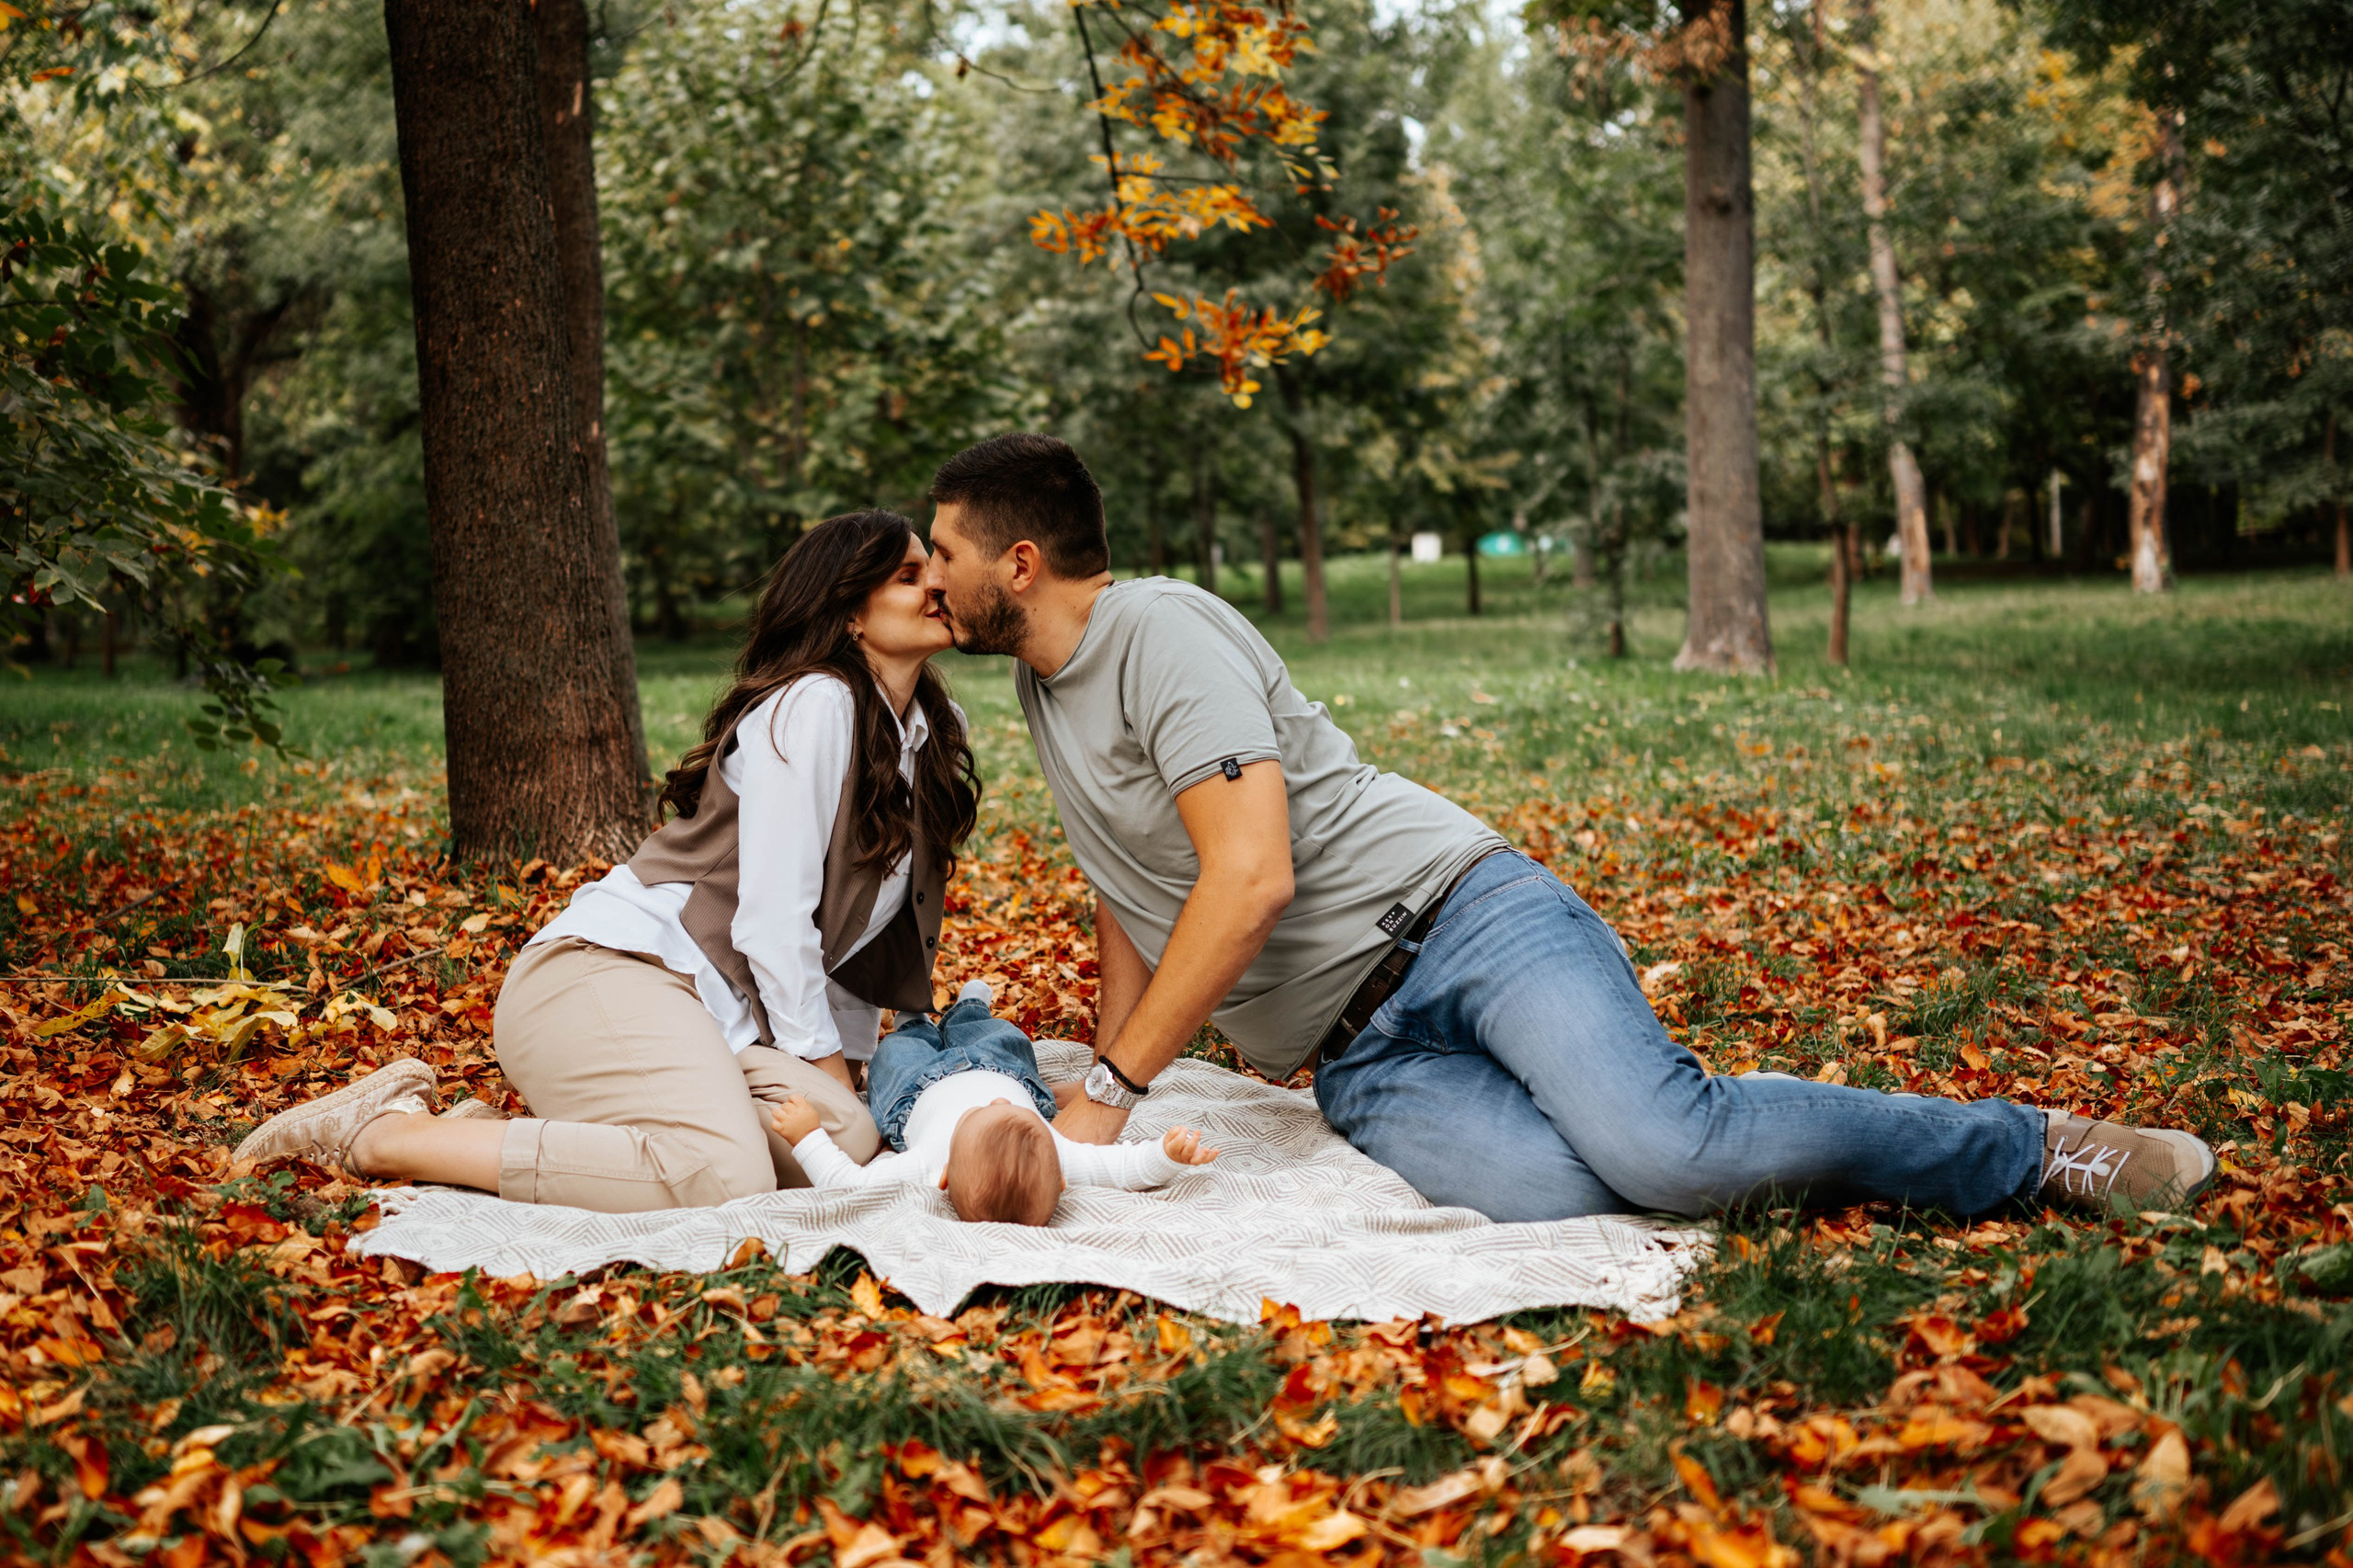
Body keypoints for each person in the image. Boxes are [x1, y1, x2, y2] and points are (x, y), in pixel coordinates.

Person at [917, 433, 2217, 1222]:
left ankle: (2029, 1146)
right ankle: (1729, 1133)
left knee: (1669, 1143)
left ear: (1019, 561)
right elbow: (1134, 894)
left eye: (944, 550)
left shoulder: (1158, 630)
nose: (932, 575)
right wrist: (1104, 1074)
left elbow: (1248, 877)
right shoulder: (1043, 687)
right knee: (1587, 1186)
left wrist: (1119, 1088)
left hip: (1460, 920)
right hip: (1357, 1057)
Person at [233, 511, 980, 1210]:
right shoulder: (814, 703)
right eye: (910, 576)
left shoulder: (921, 735)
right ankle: (387, 1134)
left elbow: (845, 944)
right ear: (850, 610)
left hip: (712, 1014)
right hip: (606, 973)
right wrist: (825, 1071)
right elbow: (776, 922)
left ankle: (486, 1134)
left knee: (845, 1137)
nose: (937, 586)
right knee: (729, 1173)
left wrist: (845, 1079)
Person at [770, 980, 1220, 1224]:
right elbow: (1121, 1170)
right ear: (1063, 1180)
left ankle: (912, 1020)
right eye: (1010, 1109)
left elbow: (849, 1185)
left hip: (912, 1091)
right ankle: (970, 1009)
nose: (993, 1104)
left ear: (943, 1178)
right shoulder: (1055, 1153)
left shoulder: (925, 1165)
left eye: (979, 1114)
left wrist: (808, 1135)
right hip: (1001, 1066)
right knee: (998, 1037)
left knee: (896, 1054)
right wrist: (1167, 1156)